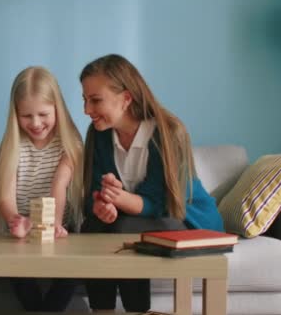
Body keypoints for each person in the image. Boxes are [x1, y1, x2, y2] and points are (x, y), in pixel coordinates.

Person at [79, 54, 224, 312]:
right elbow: (93, 195)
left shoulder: (169, 132)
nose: (86, 110)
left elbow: (160, 204)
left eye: (95, 100)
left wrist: (117, 200)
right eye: (85, 100)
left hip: (187, 221)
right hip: (135, 220)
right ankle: (102, 310)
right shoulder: (98, 135)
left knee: (127, 227)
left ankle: (138, 310)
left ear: (125, 99)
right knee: (93, 227)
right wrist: (103, 207)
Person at [0, 66, 83, 311]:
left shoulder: (70, 143)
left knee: (74, 261)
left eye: (43, 114)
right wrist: (16, 221)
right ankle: (35, 309)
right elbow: (5, 197)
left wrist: (53, 223)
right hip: (24, 224)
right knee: (14, 260)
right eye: (26, 116)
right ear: (15, 114)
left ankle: (49, 310)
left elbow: (59, 184)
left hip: (61, 225)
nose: (35, 123)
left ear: (57, 109)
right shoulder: (13, 146)